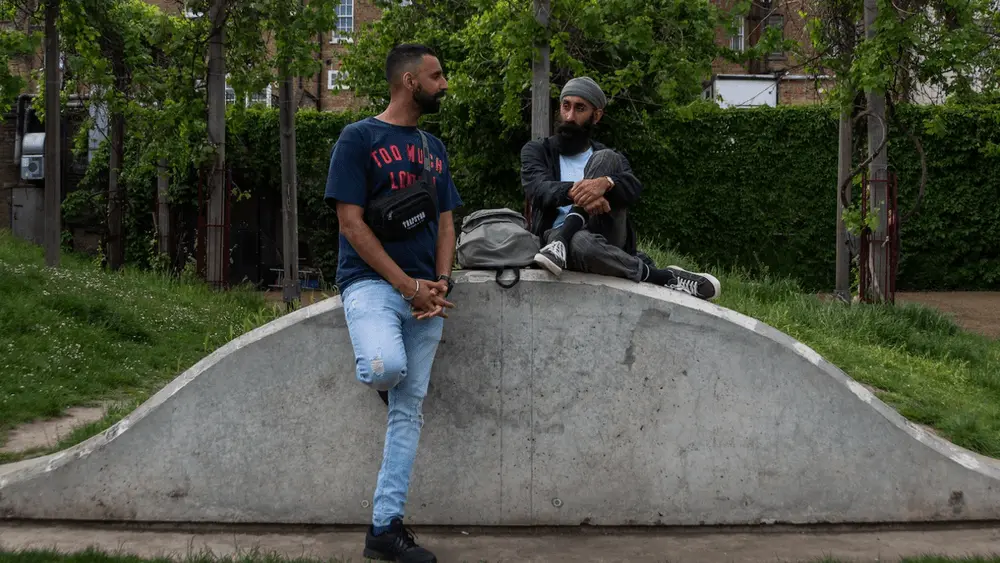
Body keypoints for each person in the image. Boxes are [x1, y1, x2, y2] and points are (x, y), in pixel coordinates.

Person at [324, 43, 460, 563]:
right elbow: (350, 225)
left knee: (408, 413)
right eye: (437, 74)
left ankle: (384, 527)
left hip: (429, 295)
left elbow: (446, 221)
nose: (443, 83)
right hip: (373, 285)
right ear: (409, 81)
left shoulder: (434, 147)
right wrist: (408, 285)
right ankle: (394, 394)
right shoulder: (358, 137)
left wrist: (440, 281)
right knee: (385, 368)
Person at [520, 77, 721, 301]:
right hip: (554, 236)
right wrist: (587, 194)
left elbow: (633, 188)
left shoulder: (607, 154)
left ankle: (563, 240)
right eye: (566, 106)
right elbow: (539, 189)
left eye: (580, 108)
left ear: (596, 116)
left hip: (604, 232)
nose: (569, 116)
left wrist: (606, 183)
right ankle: (664, 277)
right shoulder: (538, 150)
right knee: (579, 242)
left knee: (606, 159)